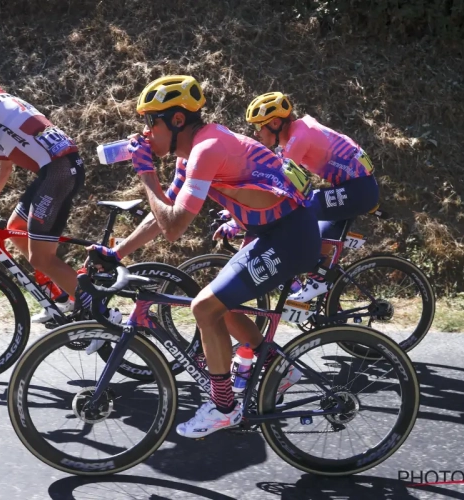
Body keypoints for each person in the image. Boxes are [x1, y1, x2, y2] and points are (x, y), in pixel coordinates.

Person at [88, 75, 321, 438]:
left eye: (151, 121)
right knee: (219, 305)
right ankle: (276, 364)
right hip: (273, 232)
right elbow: (161, 214)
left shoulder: (207, 149)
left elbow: (174, 226)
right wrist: (116, 253)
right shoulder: (191, 153)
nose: (145, 131)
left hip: (291, 236)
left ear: (177, 120)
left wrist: (146, 173)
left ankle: (224, 406)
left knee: (204, 307)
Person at [0, 50, 119, 324]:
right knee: (14, 229)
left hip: (58, 173)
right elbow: (3, 167)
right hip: (58, 169)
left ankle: (101, 315)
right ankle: (61, 299)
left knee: (41, 258)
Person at [240, 91, 380, 304]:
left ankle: (309, 280)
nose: (255, 133)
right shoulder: (295, 134)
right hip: (353, 187)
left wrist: (242, 209)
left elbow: (277, 182)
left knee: (298, 212)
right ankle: (317, 285)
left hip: (359, 190)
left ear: (275, 123)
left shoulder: (299, 138)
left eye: (258, 126)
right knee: (316, 229)